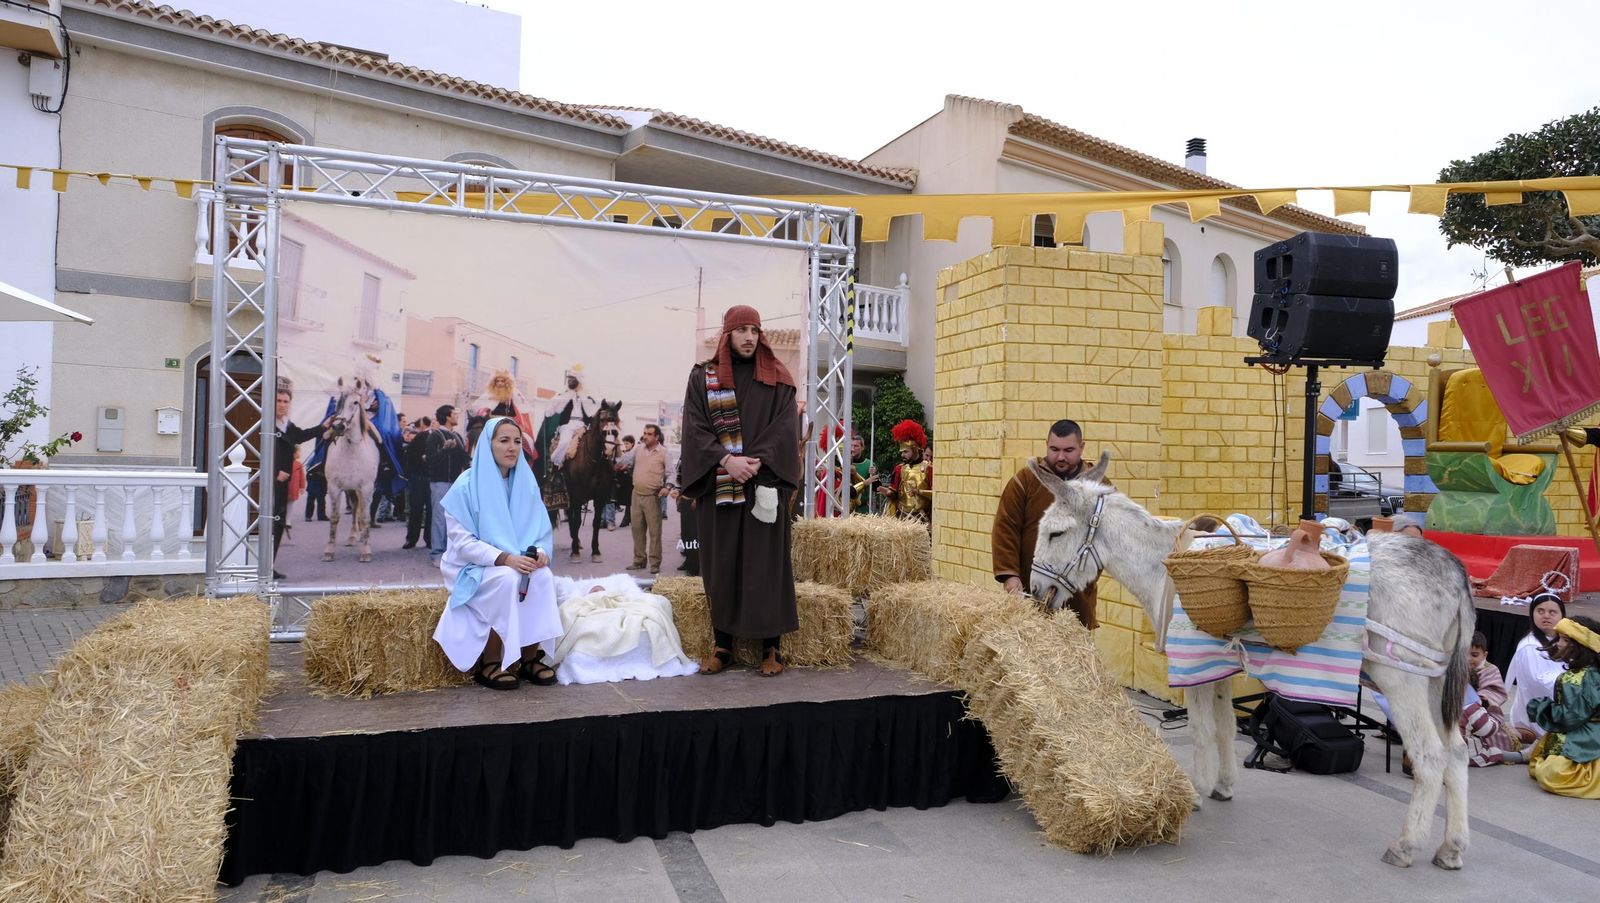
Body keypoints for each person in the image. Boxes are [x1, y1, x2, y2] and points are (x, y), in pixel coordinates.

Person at [680, 305, 800, 677]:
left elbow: (784, 429)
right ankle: (723, 644)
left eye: (754, 330)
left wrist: (756, 461)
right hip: (720, 484)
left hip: (764, 483)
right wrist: (726, 460)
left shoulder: (778, 378)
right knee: (722, 564)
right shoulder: (704, 377)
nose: (749, 337)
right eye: (741, 330)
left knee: (766, 565)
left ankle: (772, 647)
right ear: (727, 334)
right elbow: (695, 427)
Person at [432, 417, 562, 690]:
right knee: (507, 579)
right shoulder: (466, 485)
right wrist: (506, 558)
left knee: (542, 577)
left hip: (516, 562)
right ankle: (490, 663)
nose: (512, 448)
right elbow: (462, 543)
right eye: (503, 441)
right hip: (473, 566)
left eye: (517, 441)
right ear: (487, 445)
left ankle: (529, 658)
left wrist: (538, 553)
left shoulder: (526, 482)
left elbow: (540, 532)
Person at [990, 419, 1105, 629]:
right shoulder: (1026, 480)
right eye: (1054, 449)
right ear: (1046, 445)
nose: (1060, 457)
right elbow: (1006, 527)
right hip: (1028, 595)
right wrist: (1010, 576)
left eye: (1068, 450)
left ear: (1082, 447)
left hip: (1076, 600)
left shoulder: (1099, 488)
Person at [1525, 615, 1600, 798]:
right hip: (1586, 730)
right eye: (1559, 638)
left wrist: (1542, 708)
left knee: (1551, 774)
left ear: (1580, 644)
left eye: (1565, 639)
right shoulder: (1587, 673)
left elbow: (1570, 717)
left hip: (1586, 735)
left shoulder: (1579, 678)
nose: (1558, 643)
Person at [271, 379, 328, 579]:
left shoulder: (288, 425)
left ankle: (270, 566)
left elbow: (302, 436)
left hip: (282, 485)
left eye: (285, 401)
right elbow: (259, 453)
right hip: (267, 484)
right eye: (278, 400)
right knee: (266, 523)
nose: (282, 404)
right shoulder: (266, 424)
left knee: (278, 523)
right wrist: (275, 471)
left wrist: (323, 427)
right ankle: (258, 565)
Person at [1507, 593, 1569, 742]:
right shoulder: (1529, 646)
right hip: (1537, 715)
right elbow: (1538, 682)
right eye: (1540, 611)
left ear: (1562, 615)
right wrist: (1576, 682)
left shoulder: (1564, 641)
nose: (1546, 616)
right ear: (1532, 614)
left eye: (1552, 612)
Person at [1462, 631, 1523, 767]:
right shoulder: (1456, 668)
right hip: (1461, 715)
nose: (1468, 659)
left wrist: (1478, 698)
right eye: (1463, 654)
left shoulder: (1490, 670)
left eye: (1474, 655)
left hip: (1482, 714)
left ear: (1485, 655)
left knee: (1500, 739)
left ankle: (1519, 737)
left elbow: (1494, 692)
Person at [426, 404, 468, 562]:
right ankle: (437, 553)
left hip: (455, 483)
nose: (457, 416)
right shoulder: (434, 436)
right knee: (439, 518)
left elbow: (464, 458)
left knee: (455, 519)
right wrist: (444, 450)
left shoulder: (457, 436)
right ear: (448, 417)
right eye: (454, 414)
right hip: (439, 482)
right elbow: (430, 461)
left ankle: (450, 552)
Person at [629, 423, 670, 574]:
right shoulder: (638, 449)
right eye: (644, 433)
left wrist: (668, 487)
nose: (645, 436)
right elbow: (625, 461)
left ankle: (654, 564)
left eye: (649, 434)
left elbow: (671, 473)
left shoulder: (664, 452)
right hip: (636, 495)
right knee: (636, 529)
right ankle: (639, 560)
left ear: (657, 437)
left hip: (652, 497)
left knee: (654, 532)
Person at [544, 364, 600, 470]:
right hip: (568, 424)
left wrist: (585, 427)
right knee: (564, 442)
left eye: (572, 379)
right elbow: (550, 410)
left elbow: (592, 414)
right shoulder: (564, 393)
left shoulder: (587, 395)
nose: (569, 381)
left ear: (578, 379)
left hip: (582, 426)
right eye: (568, 378)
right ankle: (555, 465)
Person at [878, 420, 932, 521]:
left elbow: (937, 494)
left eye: (906, 452)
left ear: (915, 449)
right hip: (902, 517)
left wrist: (919, 492)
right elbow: (894, 493)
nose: (902, 455)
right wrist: (889, 493)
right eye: (901, 452)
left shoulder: (929, 468)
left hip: (923, 518)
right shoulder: (899, 469)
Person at [402, 416, 432, 549]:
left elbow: (409, 455)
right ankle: (423, 539)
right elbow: (411, 455)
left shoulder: (424, 437)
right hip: (425, 478)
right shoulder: (425, 437)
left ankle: (415, 539)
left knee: (420, 510)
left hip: (422, 478)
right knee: (423, 510)